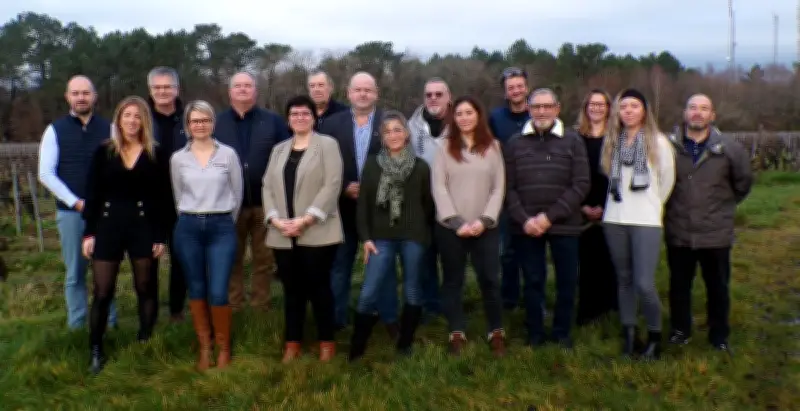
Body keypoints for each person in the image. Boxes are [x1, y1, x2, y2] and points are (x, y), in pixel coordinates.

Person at [81, 96, 171, 374]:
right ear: (118, 120)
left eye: (137, 116)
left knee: (146, 288)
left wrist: (160, 236)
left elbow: (163, 198)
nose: (132, 121)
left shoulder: (156, 154)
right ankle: (96, 349)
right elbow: (92, 194)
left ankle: (144, 341)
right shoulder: (104, 151)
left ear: (145, 121)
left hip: (143, 226)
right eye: (127, 115)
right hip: (108, 226)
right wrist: (89, 233)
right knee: (103, 291)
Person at [664, 94, 753, 353]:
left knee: (717, 287)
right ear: (684, 112)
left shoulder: (729, 148)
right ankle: (681, 331)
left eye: (704, 109)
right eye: (692, 107)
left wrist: (722, 207)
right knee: (679, 286)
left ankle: (719, 336)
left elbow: (743, 183)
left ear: (712, 115)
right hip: (679, 230)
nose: (697, 113)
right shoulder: (669, 147)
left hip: (715, 233)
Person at [505, 89, 590, 348]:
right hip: (527, 227)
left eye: (547, 106)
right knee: (532, 280)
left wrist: (549, 217)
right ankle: (535, 333)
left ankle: (562, 332)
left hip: (564, 225)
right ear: (529, 109)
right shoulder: (515, 142)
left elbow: (581, 184)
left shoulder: (573, 140)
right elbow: (507, 188)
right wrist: (525, 219)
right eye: (536, 107)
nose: (541, 112)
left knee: (566, 280)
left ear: (557, 108)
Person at [262, 96, 343, 363]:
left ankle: (326, 343)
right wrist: (274, 219)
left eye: (304, 113)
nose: (299, 117)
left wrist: (306, 219)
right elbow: (267, 187)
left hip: (317, 230)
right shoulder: (279, 149)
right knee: (292, 290)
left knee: (319, 288)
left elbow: (332, 185)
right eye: (294, 113)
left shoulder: (327, 145)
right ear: (287, 119)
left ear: (313, 117)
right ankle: (292, 342)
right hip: (283, 232)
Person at [349, 111, 435, 361]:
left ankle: (405, 343)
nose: (393, 135)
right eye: (388, 131)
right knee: (368, 291)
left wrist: (421, 232)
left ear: (407, 134)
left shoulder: (420, 167)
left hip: (413, 236)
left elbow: (427, 204)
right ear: (381, 137)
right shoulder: (372, 165)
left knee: (412, 291)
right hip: (380, 237)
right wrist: (366, 238)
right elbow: (363, 205)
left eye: (398, 130)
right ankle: (357, 346)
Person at [319, 71, 398, 334]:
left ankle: (386, 318)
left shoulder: (392, 122)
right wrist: (343, 187)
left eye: (368, 89)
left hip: (380, 208)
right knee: (339, 265)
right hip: (342, 208)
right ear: (349, 93)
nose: (363, 94)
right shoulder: (331, 125)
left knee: (381, 265)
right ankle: (336, 320)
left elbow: (402, 162)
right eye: (358, 89)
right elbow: (322, 166)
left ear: (376, 93)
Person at [37, 75, 117, 330]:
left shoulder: (111, 128)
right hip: (72, 214)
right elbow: (46, 173)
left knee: (106, 269)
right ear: (67, 97)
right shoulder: (54, 130)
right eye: (75, 93)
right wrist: (76, 202)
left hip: (105, 213)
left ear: (94, 96)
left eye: (86, 93)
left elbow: (118, 168)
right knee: (75, 273)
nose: (81, 97)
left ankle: (109, 323)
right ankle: (78, 324)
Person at [600, 88, 676, 360]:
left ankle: (655, 337)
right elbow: (609, 176)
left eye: (634, 106)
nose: (628, 111)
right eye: (623, 107)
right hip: (615, 218)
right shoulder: (613, 141)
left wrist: (653, 206)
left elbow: (666, 181)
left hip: (645, 221)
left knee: (644, 283)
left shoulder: (658, 142)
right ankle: (630, 334)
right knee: (624, 280)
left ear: (644, 110)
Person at [171, 100, 243, 371]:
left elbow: (237, 194)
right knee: (197, 288)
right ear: (188, 126)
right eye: (194, 121)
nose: (200, 125)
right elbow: (178, 195)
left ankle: (224, 348)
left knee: (218, 290)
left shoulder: (228, 155)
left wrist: (222, 219)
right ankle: (205, 347)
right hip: (188, 227)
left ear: (213, 123)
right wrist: (192, 217)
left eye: (205, 120)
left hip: (221, 226)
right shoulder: (178, 158)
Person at [432, 96, 506, 357]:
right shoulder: (443, 148)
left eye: (469, 113)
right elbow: (439, 187)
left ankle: (496, 330)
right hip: (451, 227)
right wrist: (457, 222)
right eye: (459, 113)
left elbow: (498, 188)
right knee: (453, 280)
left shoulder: (493, 147)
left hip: (485, 226)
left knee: (489, 279)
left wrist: (484, 221)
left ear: (478, 115)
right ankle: (456, 331)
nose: (464, 118)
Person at [215, 72, 290, 312]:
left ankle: (260, 307)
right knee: (231, 258)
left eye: (248, 85)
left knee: (264, 259)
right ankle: (233, 305)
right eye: (238, 86)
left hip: (265, 203)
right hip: (229, 203)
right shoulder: (217, 122)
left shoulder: (273, 121)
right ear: (230, 92)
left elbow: (286, 155)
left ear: (256, 91)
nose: (243, 90)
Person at [146, 66, 188, 323]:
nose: (163, 92)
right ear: (150, 91)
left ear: (177, 89)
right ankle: (148, 311)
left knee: (180, 259)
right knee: (148, 259)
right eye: (157, 88)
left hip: (183, 200)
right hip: (150, 200)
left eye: (167, 87)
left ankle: (176, 310)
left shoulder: (189, 117)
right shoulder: (140, 118)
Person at [407, 77, 451, 320]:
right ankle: (430, 305)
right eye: (429, 94)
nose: (433, 98)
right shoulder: (411, 126)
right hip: (422, 202)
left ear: (448, 97)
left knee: (451, 256)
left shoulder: (461, 122)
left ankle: (451, 302)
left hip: (454, 201)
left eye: (438, 94)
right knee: (425, 256)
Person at [489, 67, 531, 311]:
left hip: (534, 190)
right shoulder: (496, 118)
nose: (516, 90)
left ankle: (534, 298)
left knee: (533, 251)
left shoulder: (537, 113)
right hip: (505, 191)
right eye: (511, 87)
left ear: (526, 87)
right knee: (507, 250)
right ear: (505, 92)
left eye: (519, 86)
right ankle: (509, 299)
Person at [575, 89, 618, 326]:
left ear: (608, 108)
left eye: (602, 104)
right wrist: (582, 206)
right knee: (587, 260)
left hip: (610, 205)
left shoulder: (617, 138)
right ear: (586, 108)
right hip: (582, 206)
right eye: (592, 104)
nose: (597, 108)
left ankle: (610, 307)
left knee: (609, 258)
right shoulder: (575, 138)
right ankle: (587, 309)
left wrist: (605, 206)